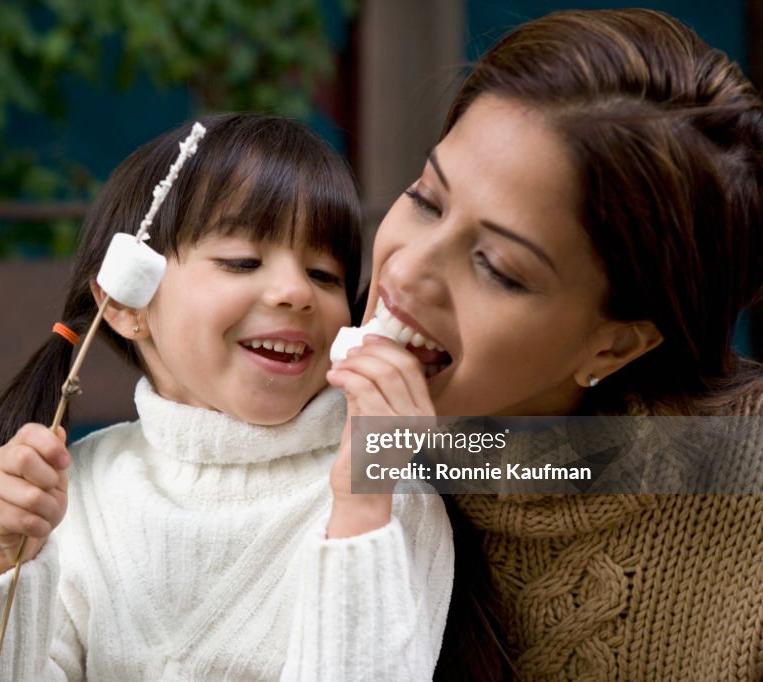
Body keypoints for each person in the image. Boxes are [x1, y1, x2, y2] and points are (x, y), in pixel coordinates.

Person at [326, 8, 763, 680]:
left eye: (496, 267)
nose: (405, 270)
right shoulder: (290, 410)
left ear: (614, 347)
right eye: (426, 199)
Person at [0, 113, 454, 681]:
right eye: (242, 262)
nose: (296, 292)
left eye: (325, 274)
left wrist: (360, 508)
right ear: (128, 305)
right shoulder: (77, 494)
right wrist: (6, 560)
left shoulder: (390, 498)